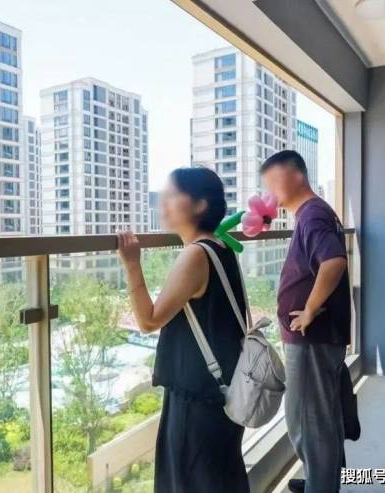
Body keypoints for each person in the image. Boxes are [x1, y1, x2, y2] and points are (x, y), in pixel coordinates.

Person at [116, 167, 250, 493]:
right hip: (223, 390)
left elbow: (148, 320)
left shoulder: (195, 255)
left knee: (191, 481)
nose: (162, 203)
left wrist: (132, 264)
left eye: (172, 195)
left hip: (197, 400)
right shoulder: (221, 248)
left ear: (200, 205)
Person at [260, 150, 351, 493]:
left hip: (313, 338)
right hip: (318, 338)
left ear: (296, 175)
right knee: (319, 417)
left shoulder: (312, 214)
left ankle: (321, 485)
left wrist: (310, 309)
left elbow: (334, 262)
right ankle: (319, 480)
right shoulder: (313, 213)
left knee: (308, 421)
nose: (269, 190)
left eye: (273, 180)